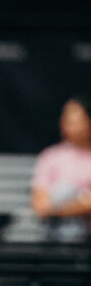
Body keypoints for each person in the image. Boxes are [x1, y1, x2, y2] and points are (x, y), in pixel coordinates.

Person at [31, 95, 91, 242]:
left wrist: (58, 209)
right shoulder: (51, 156)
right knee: (63, 190)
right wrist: (79, 204)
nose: (71, 126)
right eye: (68, 121)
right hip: (54, 238)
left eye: (78, 121)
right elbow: (41, 206)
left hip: (87, 238)